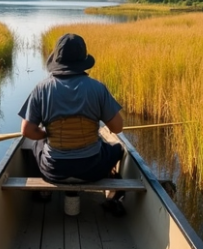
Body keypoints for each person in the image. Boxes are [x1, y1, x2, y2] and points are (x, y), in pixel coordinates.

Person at [18, 33, 126, 216]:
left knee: (35, 145)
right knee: (117, 149)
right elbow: (117, 128)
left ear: (57, 60)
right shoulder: (97, 88)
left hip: (53, 171)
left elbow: (27, 131)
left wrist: (45, 135)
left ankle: (43, 191)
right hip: (92, 170)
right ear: (83, 60)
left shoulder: (41, 88)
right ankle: (113, 193)